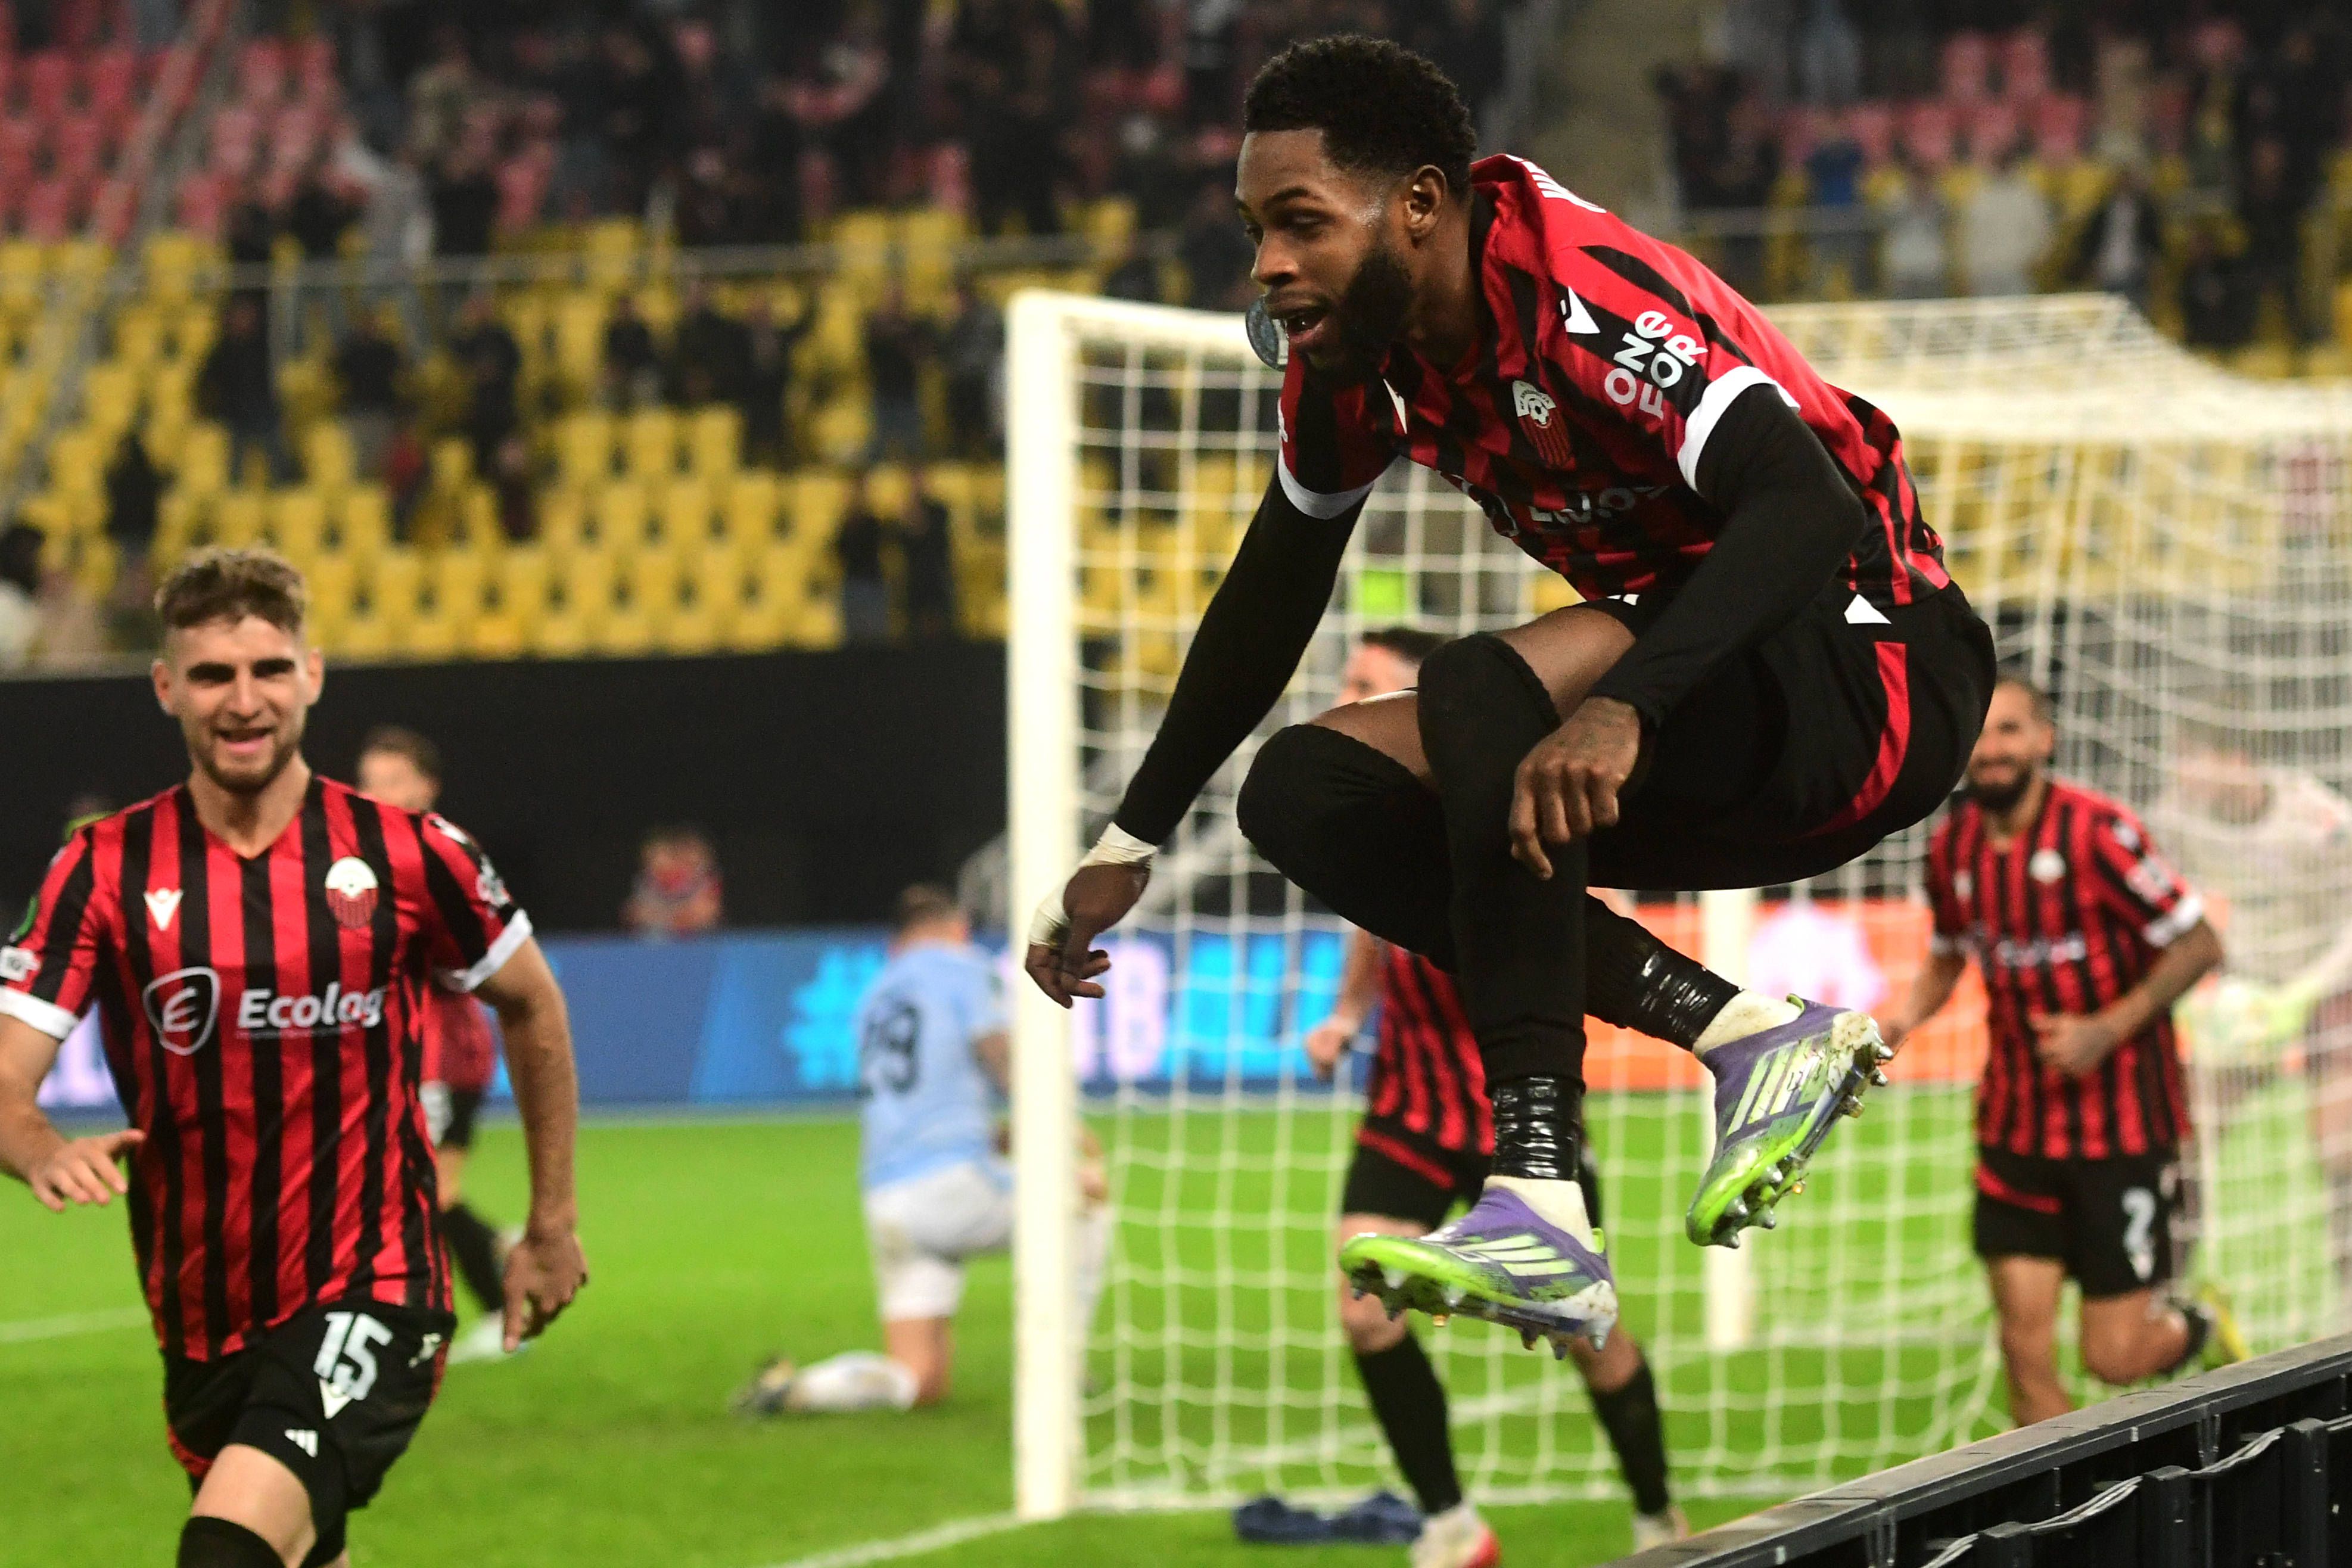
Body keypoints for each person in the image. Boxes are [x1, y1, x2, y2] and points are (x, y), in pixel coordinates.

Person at [1023, 36, 1995, 1356]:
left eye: (1300, 221)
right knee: (1307, 790)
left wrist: (1627, 705)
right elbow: (1273, 586)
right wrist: (1128, 838)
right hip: (1697, 713)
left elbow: (1805, 505)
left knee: (1481, 686)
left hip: (1870, 667)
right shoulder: (1353, 367)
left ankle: (1540, 1190)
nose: (1267, 265)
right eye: (1256, 230)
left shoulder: (1580, 290)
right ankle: (1738, 1036)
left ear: (1420, 204)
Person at [0, 547, 587, 1568]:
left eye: (269, 669)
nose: (244, 700)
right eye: (214, 674)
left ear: (312, 674)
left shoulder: (411, 852)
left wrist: (551, 1220)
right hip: (199, 1310)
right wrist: (38, 1143)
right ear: (166, 686)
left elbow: (532, 1002)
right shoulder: (100, 870)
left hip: (375, 1279)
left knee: (224, 1551)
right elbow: (6, 1077)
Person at [1302, 629, 1688, 1566]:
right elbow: (1373, 923)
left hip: (1518, 1108)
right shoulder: (1373, 808)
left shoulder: (1517, 788)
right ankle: (1448, 1524)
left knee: (1584, 1331)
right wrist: (1350, 1015)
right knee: (1364, 1305)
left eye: (1366, 683)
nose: (1346, 696)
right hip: (1410, 1098)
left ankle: (1657, 1521)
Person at [1877, 677, 2243, 1426]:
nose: (1993, 751)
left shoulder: (2099, 833)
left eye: (2010, 731)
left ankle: (2197, 1328)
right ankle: (2062, 1529)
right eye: (1980, 736)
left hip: (2122, 1131)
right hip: (2013, 1128)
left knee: (2113, 1357)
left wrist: (2109, 1026)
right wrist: (1897, 1021)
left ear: (2044, 739)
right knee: (2024, 1350)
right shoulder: (1952, 849)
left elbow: (2201, 942)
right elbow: (1948, 956)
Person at [738, 885, 1107, 1414]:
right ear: (956, 927)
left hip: (887, 1197)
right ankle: (1063, 1367)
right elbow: (999, 1057)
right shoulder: (964, 968)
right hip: (952, 1187)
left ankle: (801, 1390)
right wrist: (1058, 1126)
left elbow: (922, 1100)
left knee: (919, 1381)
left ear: (898, 942)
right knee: (1087, 1202)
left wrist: (996, 1135)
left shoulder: (875, 994)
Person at [2154, 733, 2352, 1305]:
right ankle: (2165, 1301)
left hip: (2331, 988)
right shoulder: (2181, 816)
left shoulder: (2317, 819)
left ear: (2236, 759)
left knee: (2341, 1150)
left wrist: (2301, 995)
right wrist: (2202, 990)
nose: (2183, 775)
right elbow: (2171, 897)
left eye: (2194, 758)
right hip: (2248, 995)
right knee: (2182, 1139)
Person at [356, 726, 518, 1366]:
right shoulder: (361, 858)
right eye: (371, 783)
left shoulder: (443, 854)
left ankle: (499, 1308)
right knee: (413, 1189)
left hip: (443, 1054)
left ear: (427, 787)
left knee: (426, 1191)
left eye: (396, 781)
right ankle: (491, 1265)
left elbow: (463, 954)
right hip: (407, 1053)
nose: (382, 794)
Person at [623, 825, 724, 937]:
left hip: (702, 942)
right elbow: (634, 914)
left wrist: (682, 918)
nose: (662, 863)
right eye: (655, 857)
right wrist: (667, 918)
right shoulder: (646, 884)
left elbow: (706, 914)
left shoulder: (707, 883)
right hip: (656, 942)